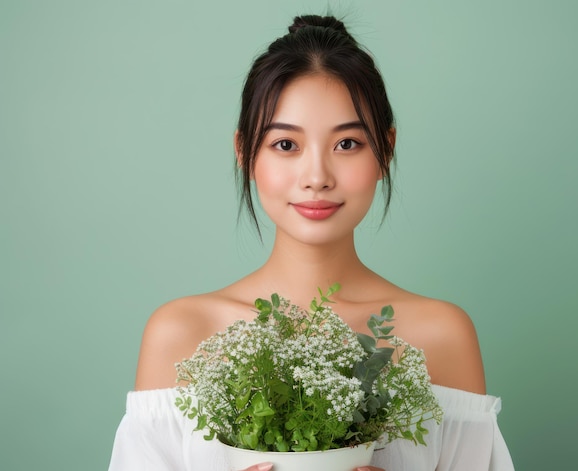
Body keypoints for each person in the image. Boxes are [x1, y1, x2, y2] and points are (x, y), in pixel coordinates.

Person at [108, 14, 514, 471]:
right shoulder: (181, 335)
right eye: (285, 145)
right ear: (245, 154)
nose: (317, 177)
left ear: (386, 149)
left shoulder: (441, 336)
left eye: (347, 144)